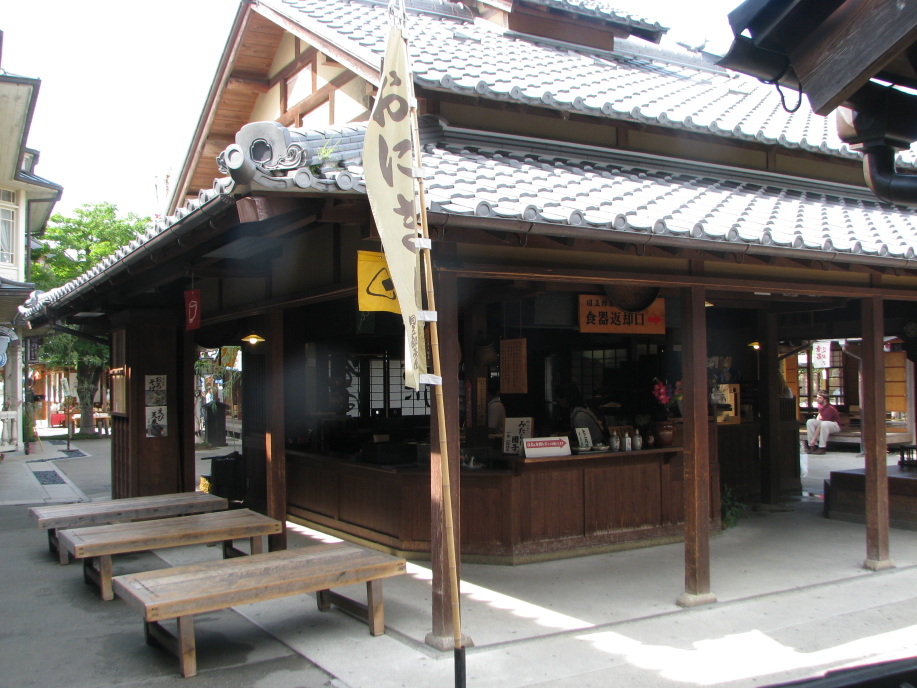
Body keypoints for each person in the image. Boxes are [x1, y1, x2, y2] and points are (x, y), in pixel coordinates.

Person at [805, 390, 841, 454]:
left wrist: (814, 439)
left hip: (835, 425)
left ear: (825, 400)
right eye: (817, 397)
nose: (817, 399)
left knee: (824, 424)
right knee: (810, 421)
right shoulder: (820, 405)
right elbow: (820, 415)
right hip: (824, 424)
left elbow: (820, 425)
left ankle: (822, 448)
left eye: (820, 398)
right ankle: (813, 446)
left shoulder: (829, 409)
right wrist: (816, 420)